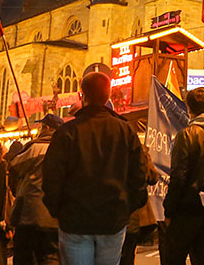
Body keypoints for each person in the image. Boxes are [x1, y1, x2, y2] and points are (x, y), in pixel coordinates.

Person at [43, 72, 147, 265]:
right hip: (112, 219)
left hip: (76, 220)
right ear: (108, 96)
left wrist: (57, 210)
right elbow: (139, 174)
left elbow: (52, 177)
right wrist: (127, 207)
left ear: (83, 96)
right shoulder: (125, 130)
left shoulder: (67, 132)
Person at [162, 86, 204, 265]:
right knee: (203, 258)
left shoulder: (187, 135)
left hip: (187, 208)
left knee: (172, 256)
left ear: (189, 107)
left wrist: (169, 208)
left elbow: (179, 175)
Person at [10, 115, 63, 265]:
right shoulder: (67, 149)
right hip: (56, 215)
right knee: (50, 255)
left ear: (46, 128)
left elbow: (14, 166)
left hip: (31, 213)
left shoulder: (36, 147)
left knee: (25, 255)